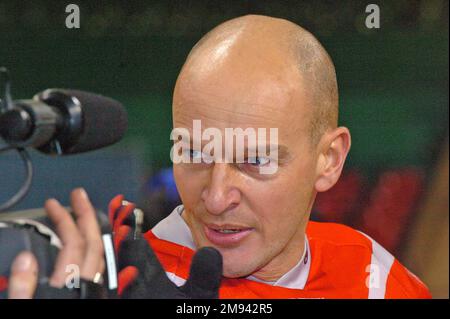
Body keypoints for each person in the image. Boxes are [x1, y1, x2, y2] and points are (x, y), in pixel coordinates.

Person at [8, 15, 430, 299]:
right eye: (193, 152)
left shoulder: (373, 276)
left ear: (329, 160)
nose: (215, 197)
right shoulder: (116, 281)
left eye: (255, 161)